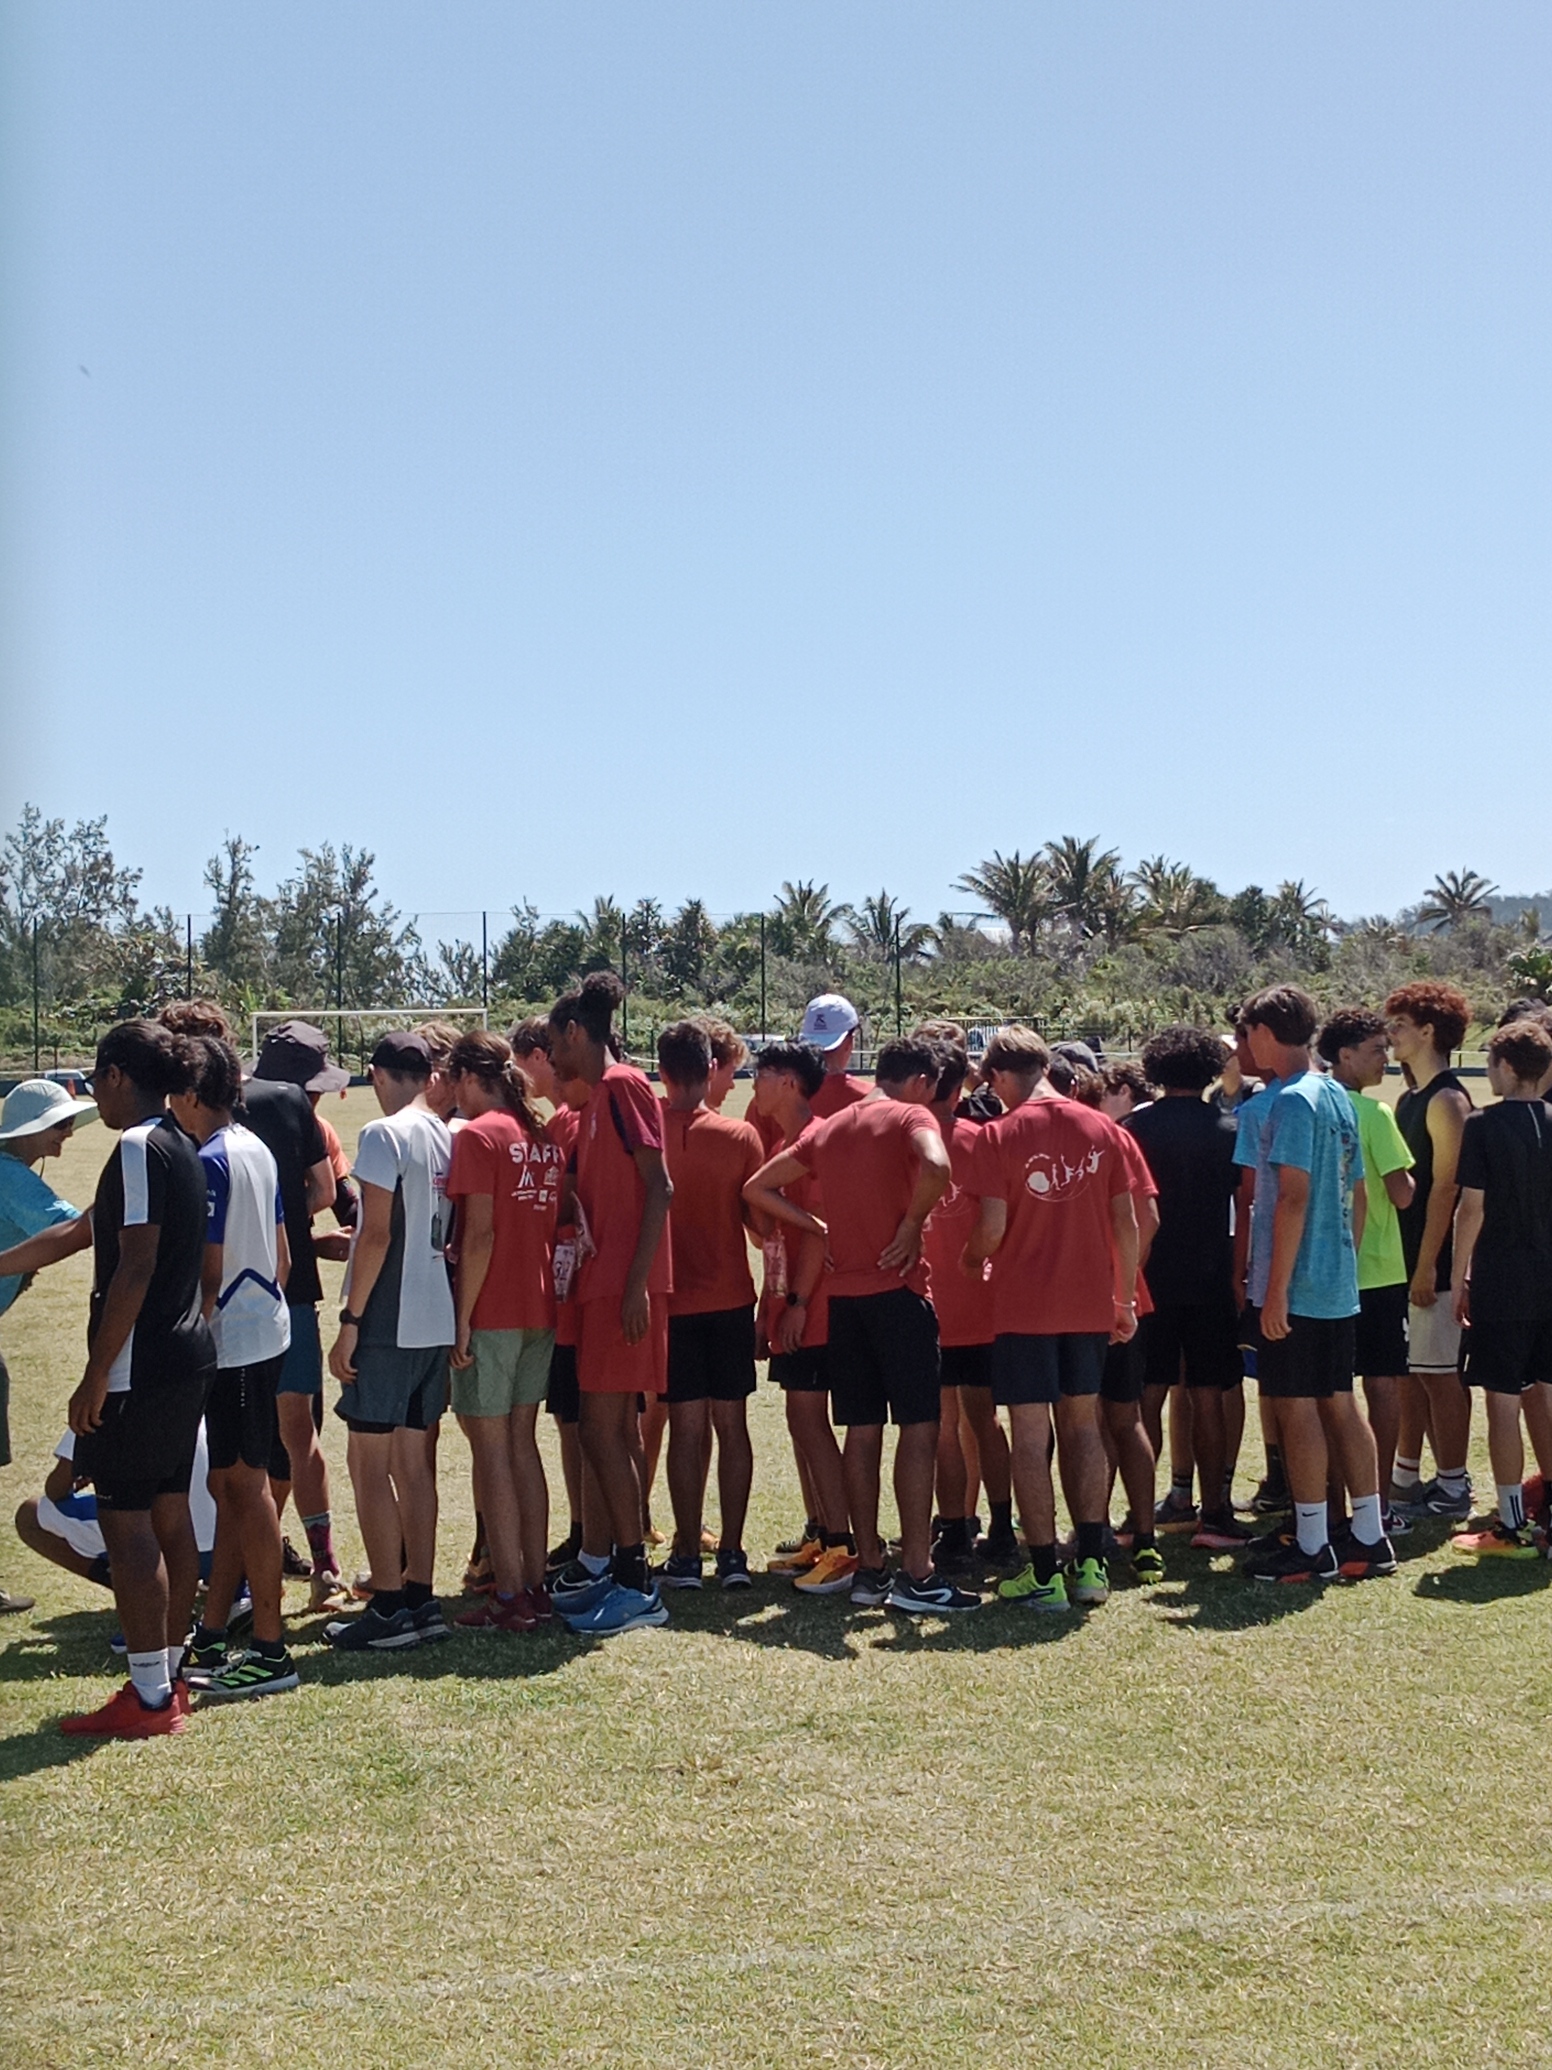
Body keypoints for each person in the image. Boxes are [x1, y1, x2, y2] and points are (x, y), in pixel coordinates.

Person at [0, 1022, 215, 1736]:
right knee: (169, 1516)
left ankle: (149, 1698)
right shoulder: (181, 1142)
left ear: (119, 1075)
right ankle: (170, 1678)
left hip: (141, 1365)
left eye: (97, 1081)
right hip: (186, 1355)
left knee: (128, 1525)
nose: (97, 1097)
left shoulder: (137, 1146)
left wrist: (96, 1374)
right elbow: (80, 1231)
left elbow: (135, 1265)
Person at [747, 1034, 973, 1615]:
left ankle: (869, 1568)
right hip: (898, 1294)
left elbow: (757, 1187)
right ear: (921, 1082)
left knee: (861, 1432)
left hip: (844, 1305)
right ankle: (917, 1573)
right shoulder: (909, 1116)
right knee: (918, 1429)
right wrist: (912, 1224)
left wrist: (817, 1228)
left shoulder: (829, 1128)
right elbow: (937, 1163)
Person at [165, 1007, 345, 1612]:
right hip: (284, 1295)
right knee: (295, 1436)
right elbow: (323, 1190)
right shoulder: (287, 1103)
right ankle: (322, 1565)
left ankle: (238, 1586)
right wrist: (272, 1229)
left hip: (221, 1307)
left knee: (230, 1466)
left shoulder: (183, 1123)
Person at [961, 1027, 1139, 1615]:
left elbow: (990, 1229)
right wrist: (1123, 1301)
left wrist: (969, 1260)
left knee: (1031, 1435)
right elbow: (1127, 1224)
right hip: (1088, 1305)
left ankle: (1042, 1573)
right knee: (1084, 1427)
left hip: (1024, 1308)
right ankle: (1090, 1563)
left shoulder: (998, 1134)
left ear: (1000, 1076)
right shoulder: (1102, 1128)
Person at [1236, 987, 1393, 1584]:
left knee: (1297, 1407)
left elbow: (1293, 1197)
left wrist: (1275, 1289)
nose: (1246, 1044)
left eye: (1249, 1032)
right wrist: (1340, 1262)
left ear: (1266, 1032)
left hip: (1298, 1287)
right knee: (1340, 1403)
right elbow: (1358, 1193)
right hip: (1335, 1283)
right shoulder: (1336, 1095)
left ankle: (1311, 1544)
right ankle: (1369, 1535)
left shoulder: (1293, 1101)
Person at [169, 1035, 299, 1700]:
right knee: (230, 1486)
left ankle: (271, 1650)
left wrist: (186, 1337)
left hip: (235, 1342)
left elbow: (210, 1270)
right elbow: (282, 1256)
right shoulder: (255, 1147)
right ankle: (215, 1631)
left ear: (192, 1096)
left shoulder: (211, 1159)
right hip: (263, 1330)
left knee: (246, 1489)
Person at [546, 973, 674, 1636]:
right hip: (604, 1287)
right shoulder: (597, 1098)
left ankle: (635, 1581)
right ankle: (616, 1572)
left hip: (623, 1292)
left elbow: (661, 1187)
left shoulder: (624, 1085)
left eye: (554, 1041)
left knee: (600, 1431)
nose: (550, 1055)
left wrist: (635, 1286)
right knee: (610, 1432)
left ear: (575, 1033)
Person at [325, 1031, 455, 1651]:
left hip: (388, 1321)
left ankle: (387, 1604)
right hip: (435, 1318)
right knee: (414, 1463)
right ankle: (420, 1597)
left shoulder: (384, 1133)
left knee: (367, 1464)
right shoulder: (446, 1133)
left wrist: (350, 1320)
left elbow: (374, 1233)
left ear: (376, 1075)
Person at [444, 1031, 564, 1633]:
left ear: (470, 1078)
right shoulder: (540, 1136)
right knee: (522, 1446)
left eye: (454, 1082)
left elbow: (480, 1235)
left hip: (493, 1310)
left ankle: (509, 1594)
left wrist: (461, 1319)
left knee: (491, 1451)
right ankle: (534, 1586)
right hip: (539, 1308)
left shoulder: (478, 1135)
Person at [1127, 1027, 1247, 1560]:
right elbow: (1245, 1206)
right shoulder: (1229, 1128)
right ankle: (1214, 1512)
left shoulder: (1134, 1128)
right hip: (1211, 1275)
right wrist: (1239, 1274)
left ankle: (1138, 1516)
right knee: (1208, 1394)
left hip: (1151, 1277)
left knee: (1147, 1395)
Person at [656, 1020, 763, 1589]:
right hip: (729, 1299)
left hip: (673, 1302)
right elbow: (758, 1224)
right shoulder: (740, 1136)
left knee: (685, 1428)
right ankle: (733, 1552)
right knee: (732, 1426)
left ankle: (685, 1551)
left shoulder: (647, 1133)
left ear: (663, 1072)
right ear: (712, 1069)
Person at [749, 1040, 855, 1592]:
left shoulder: (813, 1141)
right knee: (799, 1420)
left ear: (788, 1082)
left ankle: (843, 1545)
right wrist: (771, 1306)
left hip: (816, 1307)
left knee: (811, 1421)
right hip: (792, 1301)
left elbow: (820, 1232)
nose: (754, 1083)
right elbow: (780, 1238)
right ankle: (822, 1534)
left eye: (762, 1073)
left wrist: (799, 1304)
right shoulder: (784, 1143)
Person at [1448, 1020, 1552, 1557]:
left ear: (1507, 1067)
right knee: (1546, 1394)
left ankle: (1511, 1525)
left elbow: (1472, 1208)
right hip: (1547, 1282)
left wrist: (1457, 1274)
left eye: (1490, 1062)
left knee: (1504, 1402)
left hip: (1503, 1283)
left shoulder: (1484, 1125)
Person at [917, 1030, 1015, 1571]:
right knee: (985, 1419)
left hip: (924, 1302)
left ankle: (954, 1530)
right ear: (960, 1089)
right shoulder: (982, 1138)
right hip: (979, 1301)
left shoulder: (903, 1139)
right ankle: (1000, 1526)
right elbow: (999, 1220)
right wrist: (975, 1259)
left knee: (939, 1424)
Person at [1316, 1009, 1416, 1535]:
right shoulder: (1375, 1114)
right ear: (1345, 1055)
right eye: (1377, 1049)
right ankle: (1376, 1503)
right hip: (1378, 1272)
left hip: (1328, 1272)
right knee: (1382, 1387)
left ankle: (1329, 1505)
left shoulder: (1314, 1106)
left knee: (1332, 1392)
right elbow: (1402, 1194)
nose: (1387, 1058)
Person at [0, 1077, 98, 1612]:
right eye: (59, 1124)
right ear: (30, 1129)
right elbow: (74, 1228)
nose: (68, 1133)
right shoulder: (10, 1174)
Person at [1385, 982, 1475, 1519]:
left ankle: (1454, 1486)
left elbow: (1448, 1190)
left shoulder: (1447, 1100)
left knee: (1440, 1375)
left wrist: (1426, 1266)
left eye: (1399, 1024)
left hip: (1432, 1261)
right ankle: (1406, 1475)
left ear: (1428, 1031)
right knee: (1411, 1372)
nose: (1390, 1034)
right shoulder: (1408, 1098)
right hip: (1404, 1257)